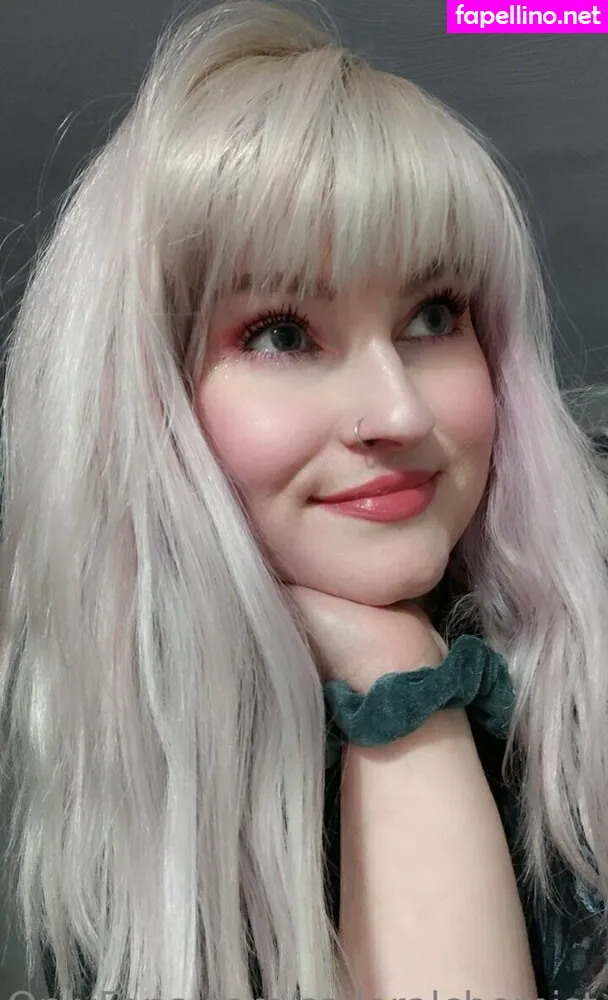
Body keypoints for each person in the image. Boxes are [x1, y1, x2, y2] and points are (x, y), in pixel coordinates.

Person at [1, 1, 608, 997]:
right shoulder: (71, 754)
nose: (398, 410)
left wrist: (396, 675)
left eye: (433, 315)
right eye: (282, 333)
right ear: (143, 401)